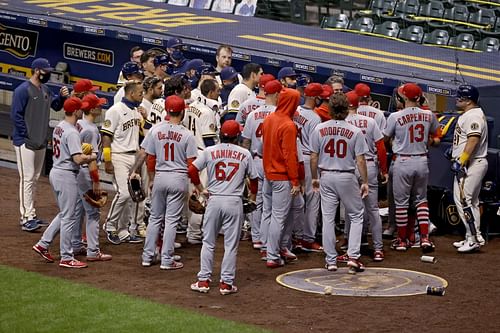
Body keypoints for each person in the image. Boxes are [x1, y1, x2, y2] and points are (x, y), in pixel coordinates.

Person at [189, 120, 258, 295]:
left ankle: (203, 281)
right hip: (234, 202)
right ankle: (226, 284)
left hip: (214, 199)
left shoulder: (210, 151)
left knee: (208, 242)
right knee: (231, 245)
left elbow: (191, 170)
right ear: (237, 137)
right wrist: (253, 197)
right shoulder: (245, 153)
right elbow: (254, 179)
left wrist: (200, 189)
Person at [130, 95, 198, 269]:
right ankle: (167, 259)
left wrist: (143, 175)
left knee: (154, 218)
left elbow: (147, 156)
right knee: (171, 220)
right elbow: (191, 166)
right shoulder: (187, 135)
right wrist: (197, 186)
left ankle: (147, 256)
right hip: (178, 178)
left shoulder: (155, 130)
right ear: (182, 112)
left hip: (160, 177)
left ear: (167, 111)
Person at [32, 97, 97, 268]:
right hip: (66, 174)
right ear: (75, 111)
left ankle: (43, 243)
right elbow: (77, 159)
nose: (82, 111)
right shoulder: (72, 132)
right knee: (69, 216)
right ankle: (67, 257)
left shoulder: (60, 126)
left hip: (57, 172)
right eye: (80, 109)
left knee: (65, 213)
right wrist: (92, 156)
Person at [310, 93, 369, 273]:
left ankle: (331, 260)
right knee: (357, 215)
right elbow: (360, 160)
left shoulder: (319, 128)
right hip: (346, 176)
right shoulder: (355, 131)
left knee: (328, 218)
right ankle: (353, 257)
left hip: (326, 175)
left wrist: (314, 177)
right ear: (346, 110)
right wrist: (365, 181)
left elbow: (313, 157)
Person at [11, 57, 69, 232]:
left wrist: (62, 97)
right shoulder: (22, 90)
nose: (48, 73)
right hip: (25, 142)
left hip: (40, 141)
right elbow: (16, 116)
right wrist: (27, 136)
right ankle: (25, 217)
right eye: (46, 71)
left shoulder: (45, 89)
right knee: (27, 178)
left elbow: (56, 107)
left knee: (34, 178)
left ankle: (31, 213)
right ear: (37, 70)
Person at [383, 83, 439, 252]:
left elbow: (385, 139)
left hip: (403, 162)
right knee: (421, 201)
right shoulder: (429, 114)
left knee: (401, 204)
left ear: (405, 97)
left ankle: (401, 240)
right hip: (422, 161)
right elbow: (435, 137)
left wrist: (395, 143)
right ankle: (424, 239)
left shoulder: (395, 116)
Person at [342, 91, 387, 262]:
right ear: (359, 103)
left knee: (350, 210)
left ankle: (349, 243)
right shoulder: (370, 121)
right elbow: (381, 148)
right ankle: (378, 248)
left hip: (350, 167)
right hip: (369, 165)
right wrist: (384, 170)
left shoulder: (342, 122)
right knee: (373, 209)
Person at [101, 81, 146, 244]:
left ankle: (123, 229)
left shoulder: (135, 111)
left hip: (133, 156)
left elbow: (141, 135)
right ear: (131, 93)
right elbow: (106, 136)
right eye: (140, 93)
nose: (142, 95)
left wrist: (145, 118)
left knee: (133, 195)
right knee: (124, 193)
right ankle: (110, 225)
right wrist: (107, 160)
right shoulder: (115, 111)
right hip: (118, 155)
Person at [261, 88, 301, 268]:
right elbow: (289, 155)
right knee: (278, 216)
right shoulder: (288, 125)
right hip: (282, 177)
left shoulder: (269, 119)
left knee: (272, 212)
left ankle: (280, 247)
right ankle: (272, 255)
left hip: (268, 174)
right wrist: (295, 180)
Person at [241, 80, 282, 250]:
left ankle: (257, 237)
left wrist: (246, 166)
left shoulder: (253, 114)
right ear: (277, 95)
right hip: (274, 162)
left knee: (256, 200)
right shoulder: (279, 115)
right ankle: (270, 240)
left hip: (256, 161)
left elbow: (246, 142)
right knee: (273, 203)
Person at [72, 94, 112, 261]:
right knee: (93, 212)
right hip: (85, 172)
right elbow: (93, 160)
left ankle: (75, 244)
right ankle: (93, 251)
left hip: (74, 172)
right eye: (99, 105)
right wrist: (96, 181)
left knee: (78, 210)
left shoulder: (78, 124)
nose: (101, 108)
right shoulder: (91, 130)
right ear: (92, 109)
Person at [450, 84, 488, 253]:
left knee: (464, 201)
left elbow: (473, 140)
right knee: (472, 202)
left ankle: (472, 239)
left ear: (468, 100)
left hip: (471, 165)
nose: (457, 99)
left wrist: (461, 160)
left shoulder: (473, 116)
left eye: (460, 97)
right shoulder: (471, 114)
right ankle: (474, 235)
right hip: (473, 163)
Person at [182, 78, 220, 244]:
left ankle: (191, 229)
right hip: (203, 155)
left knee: (192, 194)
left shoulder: (190, 107)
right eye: (217, 91)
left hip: (190, 153)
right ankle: (195, 233)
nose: (219, 93)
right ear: (211, 92)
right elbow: (210, 141)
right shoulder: (206, 112)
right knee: (201, 196)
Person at [293, 83, 323, 252]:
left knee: (296, 200)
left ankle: (294, 236)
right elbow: (314, 150)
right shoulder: (315, 118)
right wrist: (315, 173)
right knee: (312, 199)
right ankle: (307, 238)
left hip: (295, 157)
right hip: (307, 159)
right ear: (314, 98)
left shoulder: (295, 110)